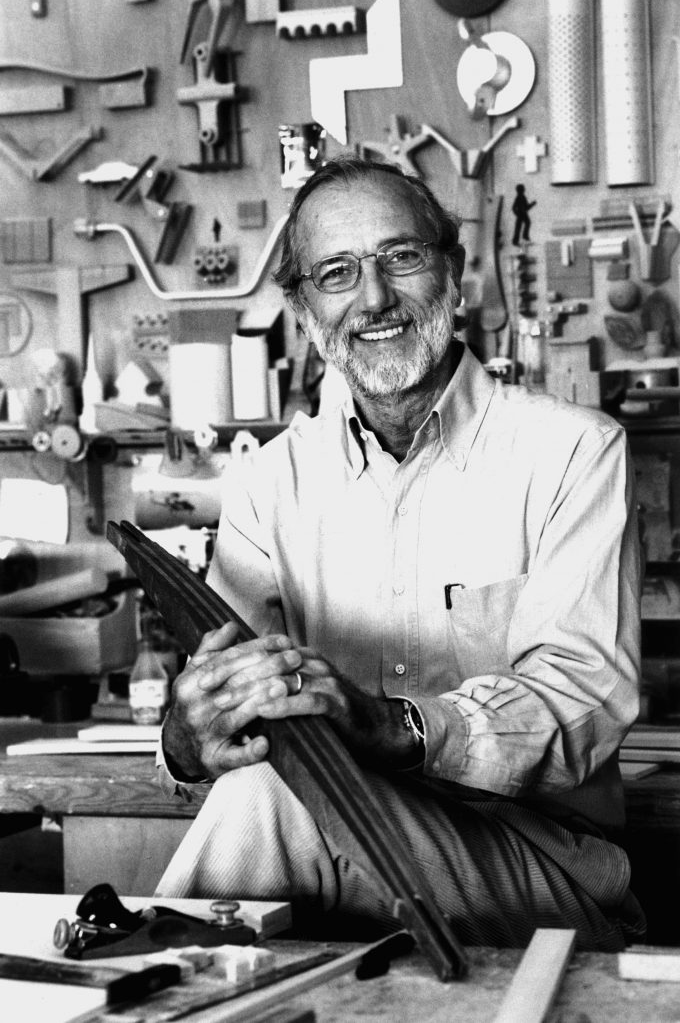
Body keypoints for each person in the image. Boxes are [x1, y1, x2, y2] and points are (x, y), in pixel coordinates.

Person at [155, 156, 645, 951]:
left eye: (401, 257)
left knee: (268, 801)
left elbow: (584, 696)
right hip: (342, 840)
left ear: (454, 273)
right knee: (260, 789)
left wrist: (396, 728)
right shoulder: (269, 483)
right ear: (304, 310)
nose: (375, 297)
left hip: (535, 862)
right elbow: (229, 695)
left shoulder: (575, 453)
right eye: (337, 273)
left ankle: (155, 984)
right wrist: (187, 736)